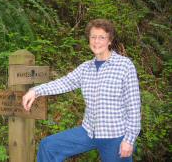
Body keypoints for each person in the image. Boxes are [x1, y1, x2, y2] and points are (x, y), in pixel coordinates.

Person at [22, 19, 141, 162]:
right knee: (48, 146)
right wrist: (35, 91)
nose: (97, 41)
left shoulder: (125, 66)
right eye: (93, 37)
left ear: (110, 40)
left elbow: (134, 107)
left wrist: (129, 139)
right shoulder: (86, 68)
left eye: (101, 37)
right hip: (89, 131)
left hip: (115, 136)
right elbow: (65, 82)